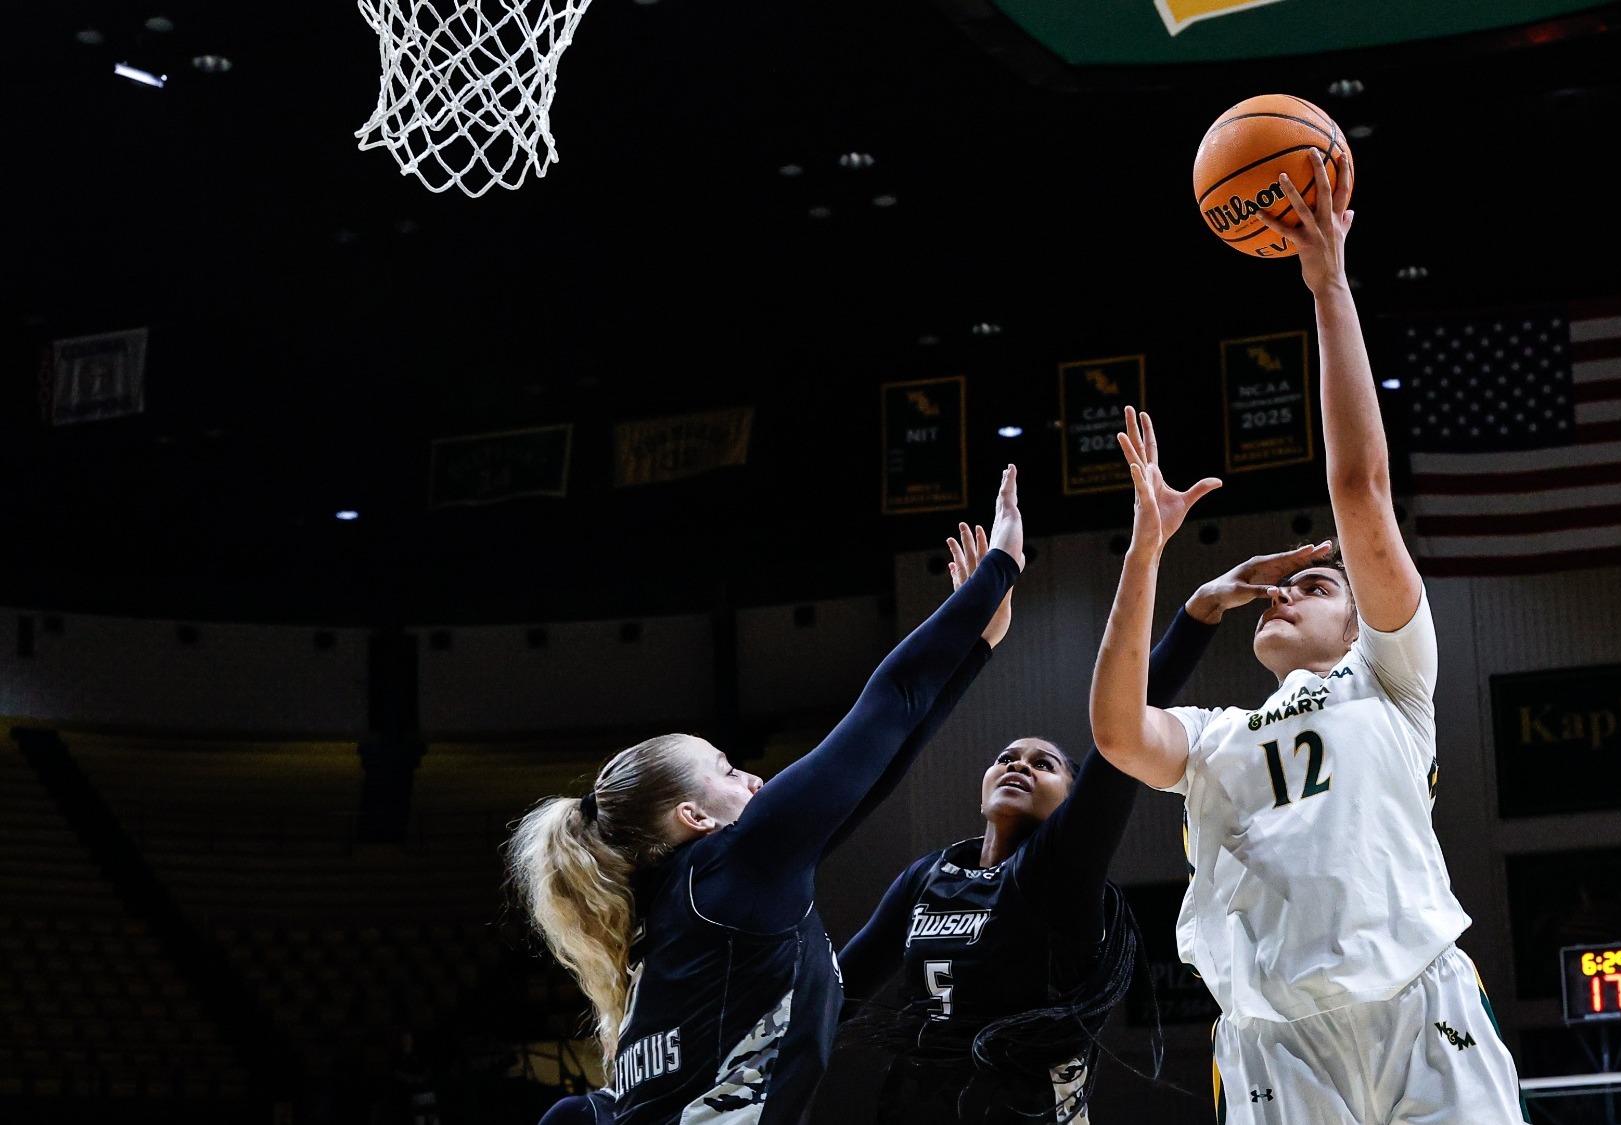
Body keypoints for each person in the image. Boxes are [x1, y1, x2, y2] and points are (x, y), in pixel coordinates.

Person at [1088, 147, 1526, 1124]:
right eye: (1278, 590)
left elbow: (1358, 493)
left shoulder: (1391, 678)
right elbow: (1117, 734)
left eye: (1313, 584)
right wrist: (1145, 554)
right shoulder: (1212, 739)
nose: (1281, 595)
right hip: (1268, 1038)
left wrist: (1328, 288)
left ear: (1357, 617)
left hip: (1421, 1009)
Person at [507, 466, 1026, 1125]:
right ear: (693, 816)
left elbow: (876, 770)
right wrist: (999, 568)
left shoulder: (689, 913)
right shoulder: (732, 867)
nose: (753, 779)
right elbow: (886, 706)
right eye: (725, 769)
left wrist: (978, 643)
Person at [838, 513, 1228, 1124]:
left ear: (1073, 799)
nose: (1019, 765)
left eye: (1045, 764)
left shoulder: (1058, 878)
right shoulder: (927, 876)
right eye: (1005, 758)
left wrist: (1197, 614)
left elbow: (1120, 733)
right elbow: (840, 988)